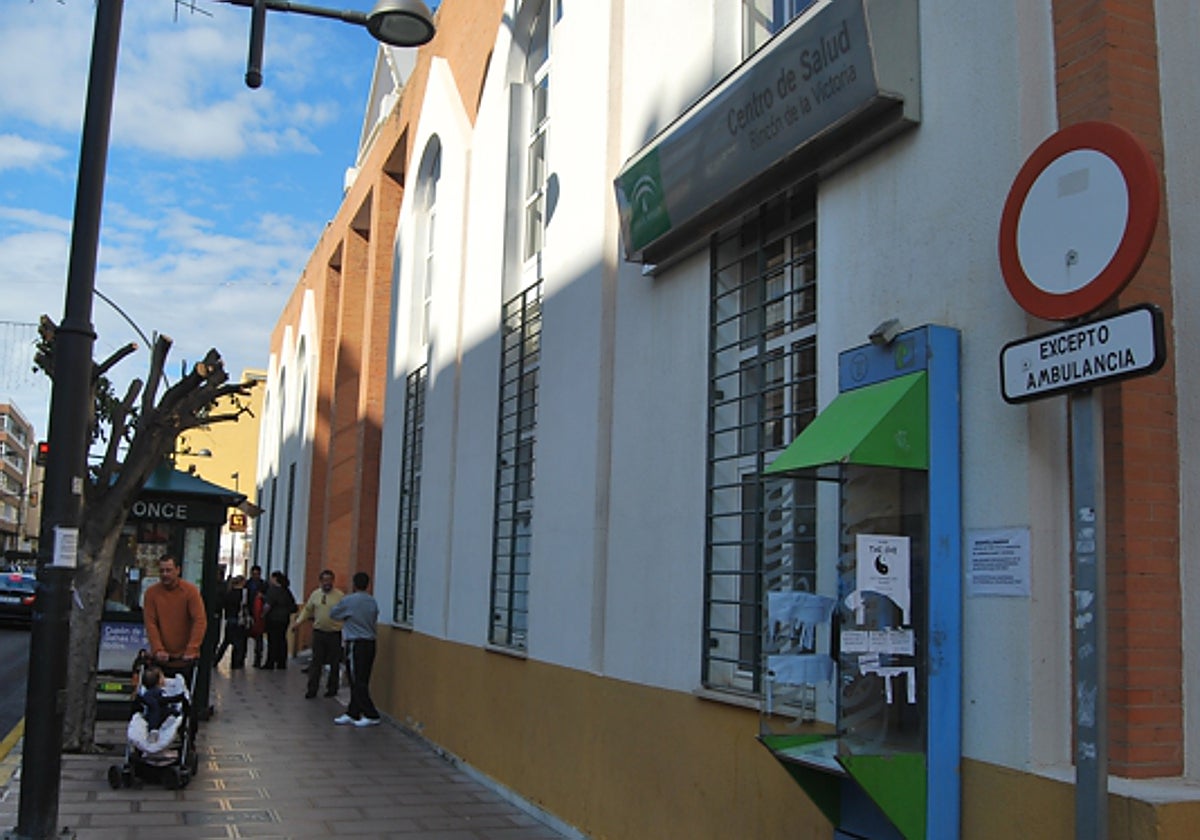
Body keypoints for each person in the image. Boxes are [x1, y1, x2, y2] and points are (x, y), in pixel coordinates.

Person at [330, 571, 381, 727]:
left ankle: (371, 713)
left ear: (354, 584)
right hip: (370, 643)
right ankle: (353, 712)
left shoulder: (349, 601)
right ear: (368, 584)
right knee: (362, 678)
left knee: (356, 680)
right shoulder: (372, 601)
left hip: (356, 643)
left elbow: (333, 614)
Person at [142, 555, 207, 674]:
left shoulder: (190, 592)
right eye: (162, 571)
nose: (165, 574)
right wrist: (157, 649)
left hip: (185, 657)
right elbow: (150, 623)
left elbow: (199, 620)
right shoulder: (151, 593)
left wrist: (192, 648)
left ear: (177, 570)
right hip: (161, 658)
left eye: (169, 570)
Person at [293, 569, 344, 699]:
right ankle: (312, 689)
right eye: (325, 580)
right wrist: (298, 622)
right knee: (316, 662)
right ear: (320, 581)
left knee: (334, 663)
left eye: (330, 580)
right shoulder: (315, 595)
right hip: (319, 633)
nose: (327, 583)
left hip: (334, 633)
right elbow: (307, 610)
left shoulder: (340, 596)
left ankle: (332, 688)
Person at [259, 571, 297, 670]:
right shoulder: (286, 591)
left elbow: (268, 605)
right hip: (284, 619)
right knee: (282, 640)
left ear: (275, 579)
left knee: (272, 641)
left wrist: (262, 615)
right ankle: (281, 663)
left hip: (273, 619)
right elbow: (293, 606)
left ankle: (270, 662)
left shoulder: (273, 590)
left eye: (271, 578)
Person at [214, 575, 251, 670]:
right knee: (239, 643)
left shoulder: (229, 593)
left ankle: (215, 660)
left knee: (226, 642)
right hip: (239, 620)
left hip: (230, 619)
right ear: (242, 583)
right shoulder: (243, 594)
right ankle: (235, 663)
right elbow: (246, 607)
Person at [245, 565, 268, 668]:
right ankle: (242, 658)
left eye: (257, 574)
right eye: (254, 574)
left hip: (259, 614)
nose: (255, 576)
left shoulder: (264, 585)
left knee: (258, 638)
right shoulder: (247, 584)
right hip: (249, 613)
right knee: (245, 636)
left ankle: (258, 658)